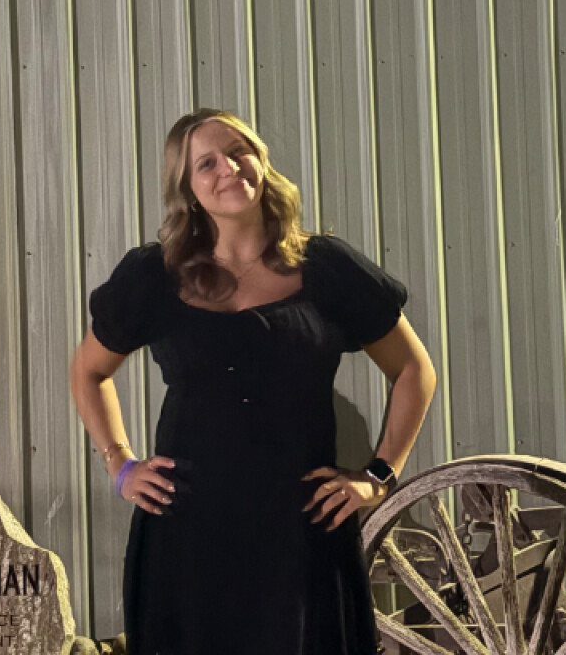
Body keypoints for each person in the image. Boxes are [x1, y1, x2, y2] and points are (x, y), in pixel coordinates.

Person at [70, 108, 436, 655]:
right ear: (189, 191)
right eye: (207, 163)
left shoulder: (327, 267)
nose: (228, 168)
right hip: (188, 528)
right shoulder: (153, 276)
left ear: (261, 161)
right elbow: (89, 371)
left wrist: (378, 476)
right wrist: (120, 464)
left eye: (239, 152)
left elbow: (414, 370)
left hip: (301, 527)